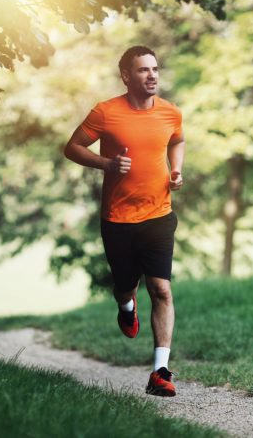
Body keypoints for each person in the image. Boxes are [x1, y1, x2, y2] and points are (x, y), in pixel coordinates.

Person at [63, 45, 185, 397]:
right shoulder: (106, 113)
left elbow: (178, 140)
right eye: (144, 70)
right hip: (117, 219)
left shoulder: (170, 113)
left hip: (159, 214)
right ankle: (125, 307)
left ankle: (160, 371)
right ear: (126, 76)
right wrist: (108, 164)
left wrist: (176, 171)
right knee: (125, 287)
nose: (152, 75)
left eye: (155, 69)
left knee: (161, 289)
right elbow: (73, 148)